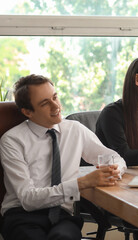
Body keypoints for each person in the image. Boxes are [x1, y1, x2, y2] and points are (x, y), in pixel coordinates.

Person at [0, 74, 127, 240]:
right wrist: (83, 183)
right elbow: (28, 199)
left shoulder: (74, 130)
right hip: (22, 215)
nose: (56, 106)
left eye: (55, 97)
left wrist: (115, 169)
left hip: (61, 215)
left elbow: (113, 157)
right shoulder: (12, 140)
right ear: (27, 112)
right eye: (45, 103)